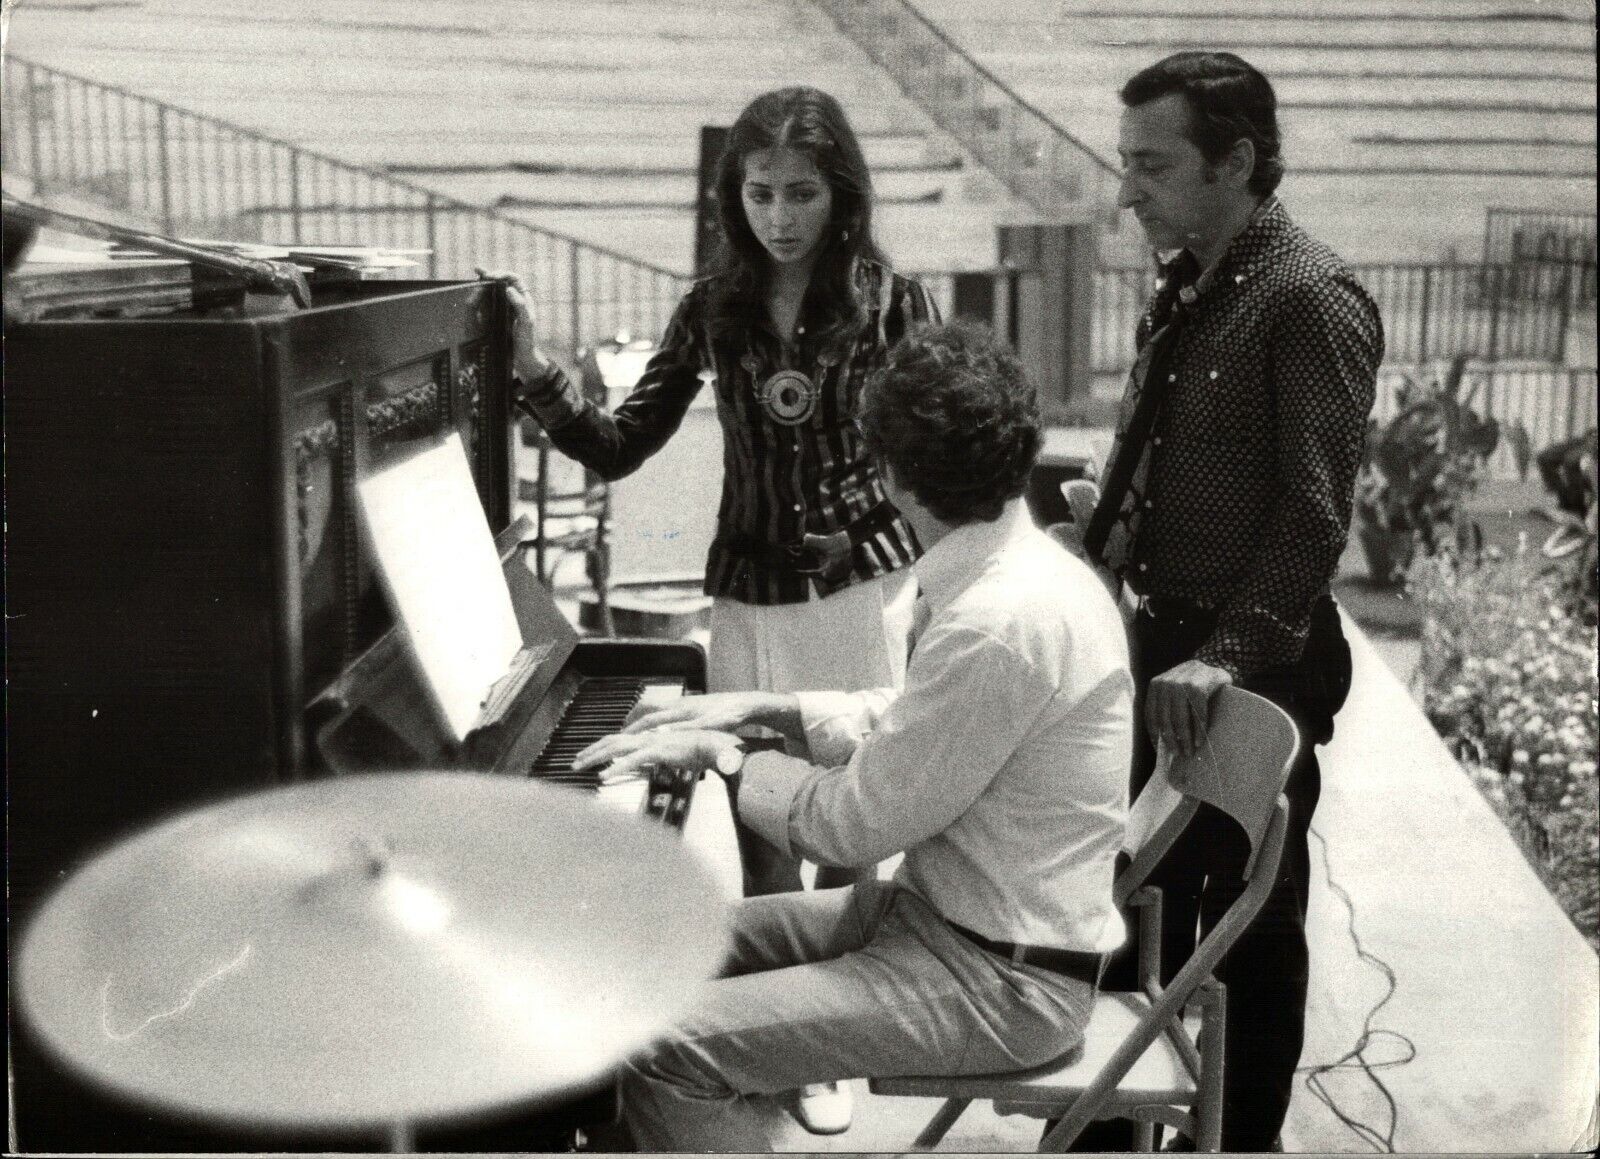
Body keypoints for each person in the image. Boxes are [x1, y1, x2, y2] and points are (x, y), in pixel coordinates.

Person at [568, 320, 1133, 1152]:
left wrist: (729, 760)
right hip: (946, 921)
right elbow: (913, 725)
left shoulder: (998, 621)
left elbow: (851, 825)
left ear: (893, 477)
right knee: (650, 947)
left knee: (661, 1045)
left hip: (1003, 978)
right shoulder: (1015, 574)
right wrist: (768, 709)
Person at [1077, 51, 1384, 1152]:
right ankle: (1109, 1123)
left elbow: (1312, 514)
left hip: (1242, 664)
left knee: (1243, 931)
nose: (1126, 193)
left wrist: (1225, 655)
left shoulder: (1309, 299)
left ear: (1237, 160)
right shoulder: (1197, 276)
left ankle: (1237, 1140)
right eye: (1125, 165)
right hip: (1161, 647)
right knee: (1124, 895)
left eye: (1151, 166)